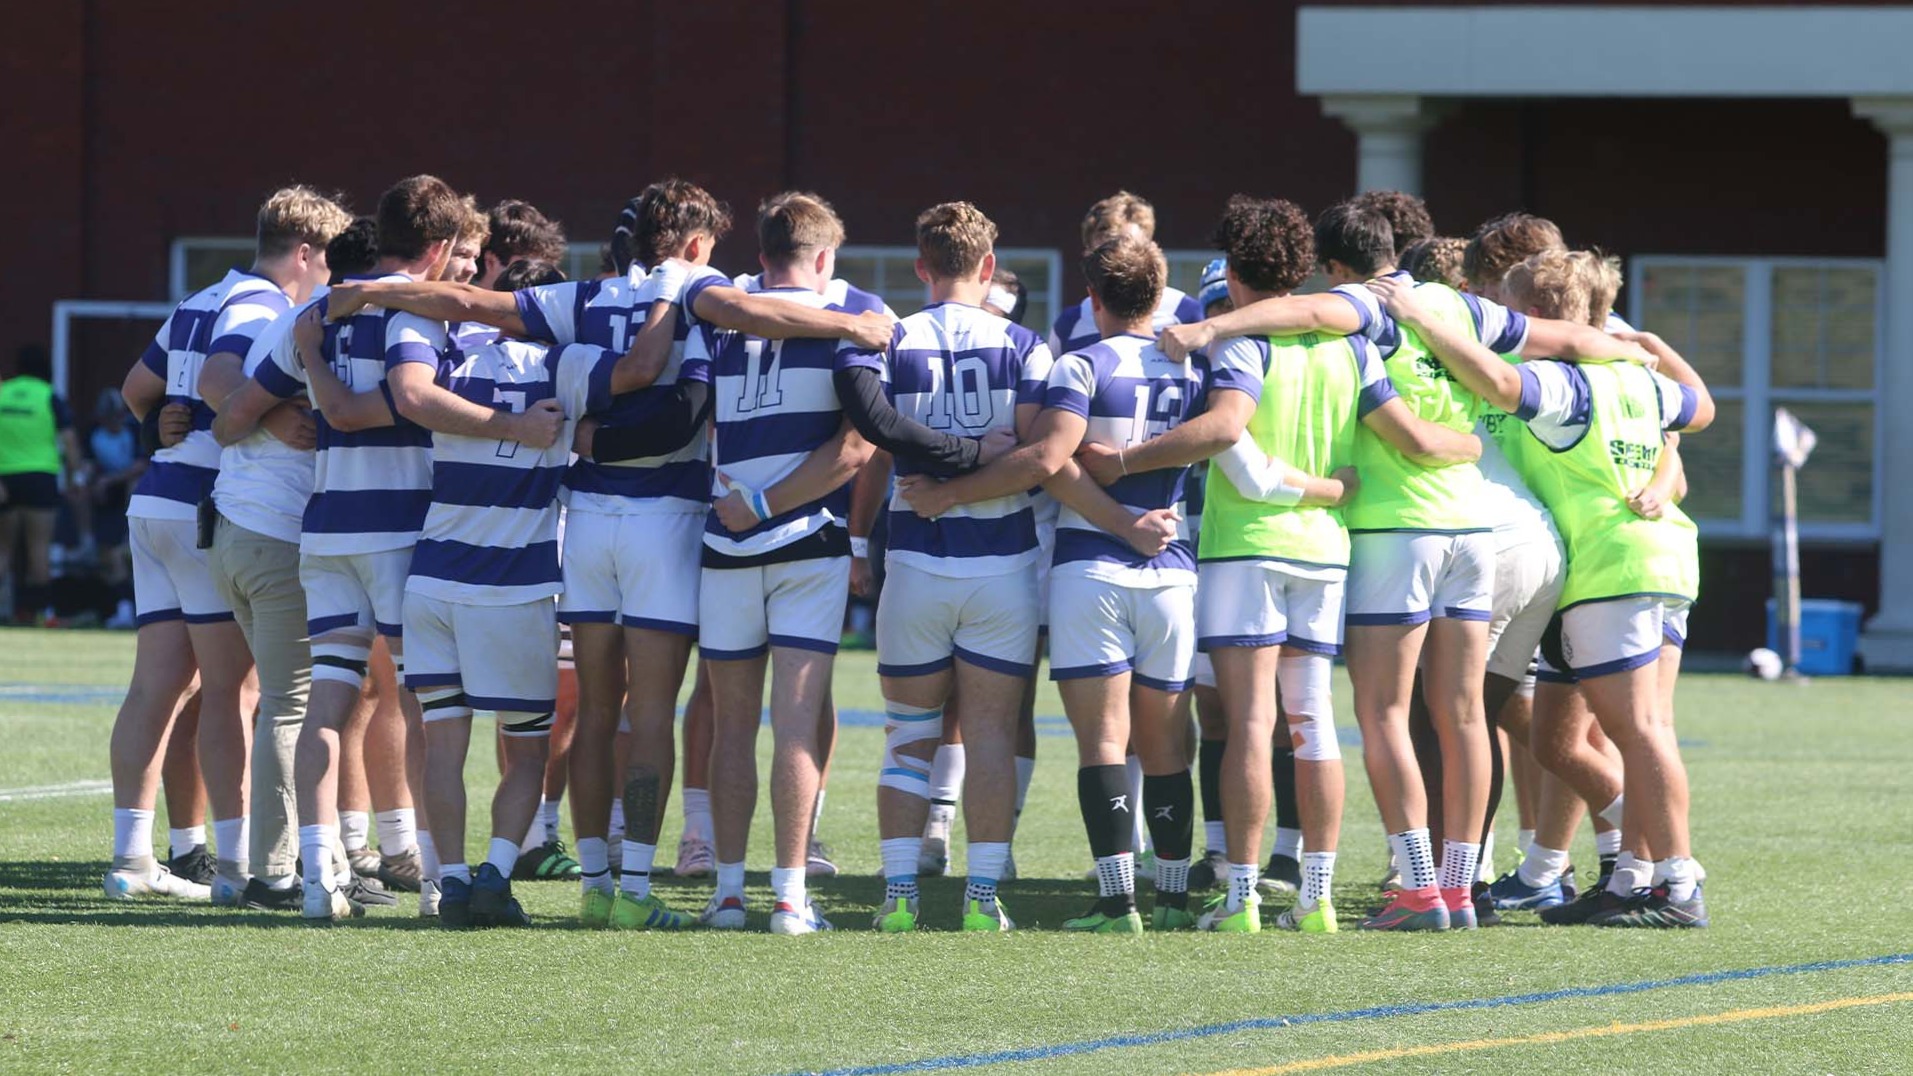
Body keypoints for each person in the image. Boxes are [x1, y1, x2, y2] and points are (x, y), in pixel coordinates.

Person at [324, 179, 895, 930]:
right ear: (695, 245)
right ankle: (630, 888)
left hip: (587, 520)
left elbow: (471, 306)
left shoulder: (584, 297)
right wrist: (856, 326)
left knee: (593, 710)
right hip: (666, 520)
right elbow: (743, 322)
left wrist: (370, 294)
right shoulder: (700, 286)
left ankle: (592, 881)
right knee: (650, 713)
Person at [1160, 196, 1642, 931]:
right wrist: (1634, 350)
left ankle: (1418, 887)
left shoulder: (1367, 307)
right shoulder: (1467, 312)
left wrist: (1210, 325)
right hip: (1474, 528)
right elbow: (1568, 340)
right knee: (1462, 716)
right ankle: (1458, 888)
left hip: (1394, 533)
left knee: (1383, 714)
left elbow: (1309, 317)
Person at [1369, 249, 1715, 928]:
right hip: (1616, 566)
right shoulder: (1634, 378)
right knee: (1565, 737)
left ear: (1531, 317)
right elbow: (1699, 407)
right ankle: (1630, 877)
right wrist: (1654, 346)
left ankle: (1676, 883)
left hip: (1609, 565)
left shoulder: (1566, 384)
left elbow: (1498, 382)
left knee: (1639, 728)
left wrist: (1416, 314)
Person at [902, 234, 1198, 932]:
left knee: (1102, 741)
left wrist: (953, 493)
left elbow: (1046, 458)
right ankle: (1178, 898)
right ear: (1159, 297)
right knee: (1163, 743)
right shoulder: (1194, 367)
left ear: (1091, 299)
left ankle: (1117, 901)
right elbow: (1219, 432)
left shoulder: (1080, 362)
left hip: (1092, 566)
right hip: (1174, 568)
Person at [104, 186, 341, 901]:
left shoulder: (198, 298)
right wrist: (261, 421)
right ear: (303, 252)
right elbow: (216, 380)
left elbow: (133, 390)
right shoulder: (265, 306)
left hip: (155, 501)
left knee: (157, 685)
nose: (330, 277)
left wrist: (165, 421)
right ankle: (241, 866)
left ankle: (132, 858)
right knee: (232, 692)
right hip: (207, 506)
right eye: (327, 261)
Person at [838, 202, 1042, 934]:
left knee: (908, 735)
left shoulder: (891, 338)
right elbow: (1039, 456)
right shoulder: (1024, 343)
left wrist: (858, 542)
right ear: (987, 268)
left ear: (922, 266)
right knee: (988, 735)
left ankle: (898, 896)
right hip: (1003, 564)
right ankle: (983, 900)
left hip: (916, 562)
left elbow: (870, 451)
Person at [685, 192, 881, 934]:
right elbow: (856, 450)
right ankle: (790, 899)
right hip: (803, 541)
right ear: (825, 259)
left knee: (731, 727)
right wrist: (768, 505)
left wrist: (739, 500)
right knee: (795, 727)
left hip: (722, 542)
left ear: (761, 256)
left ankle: (728, 895)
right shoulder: (851, 318)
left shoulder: (721, 314)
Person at [200, 206, 365, 911]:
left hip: (237, 528)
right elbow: (221, 399)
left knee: (267, 699)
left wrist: (257, 415)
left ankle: (278, 859)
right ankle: (273, 872)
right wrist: (270, 415)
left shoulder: (283, 316)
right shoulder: (300, 315)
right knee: (289, 705)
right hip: (272, 535)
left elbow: (224, 406)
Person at [0, 345, 83, 625]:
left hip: (5, 478)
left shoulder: (3, 392)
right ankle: (44, 614)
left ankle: (10, 610)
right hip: (40, 477)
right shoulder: (49, 396)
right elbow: (69, 443)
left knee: (4, 551)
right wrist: (74, 478)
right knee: (38, 549)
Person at [84, 389, 145, 629]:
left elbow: (141, 466)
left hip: (130, 497)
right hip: (105, 499)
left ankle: (126, 609)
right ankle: (86, 538)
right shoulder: (93, 434)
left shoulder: (133, 430)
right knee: (109, 558)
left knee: (120, 557)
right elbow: (88, 465)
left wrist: (110, 480)